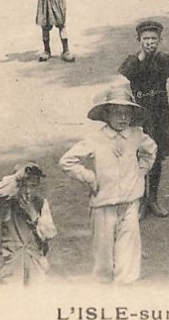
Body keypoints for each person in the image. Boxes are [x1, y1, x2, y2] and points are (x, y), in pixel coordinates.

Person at [59, 86, 157, 285]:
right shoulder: (96, 139)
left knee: (128, 250)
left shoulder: (137, 135)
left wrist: (141, 171)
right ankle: (103, 288)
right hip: (104, 204)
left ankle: (124, 288)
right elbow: (67, 161)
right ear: (106, 114)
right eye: (117, 113)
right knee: (103, 253)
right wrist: (88, 177)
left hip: (130, 202)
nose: (122, 118)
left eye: (127, 113)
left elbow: (151, 151)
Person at [119, 20, 169, 220]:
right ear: (139, 40)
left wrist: (155, 55)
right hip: (140, 113)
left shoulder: (162, 60)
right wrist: (142, 57)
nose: (150, 42)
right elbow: (126, 71)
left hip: (159, 112)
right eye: (146, 39)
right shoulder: (134, 60)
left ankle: (152, 198)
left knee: (157, 154)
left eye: (154, 39)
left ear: (159, 40)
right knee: (139, 155)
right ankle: (140, 199)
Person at [0, 163, 57, 285]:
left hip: (36, 260)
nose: (27, 191)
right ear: (16, 185)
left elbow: (49, 233)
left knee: (37, 297)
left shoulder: (41, 203)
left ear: (37, 186)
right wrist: (16, 177)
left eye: (32, 186)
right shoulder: (6, 204)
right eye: (23, 185)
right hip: (13, 262)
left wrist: (32, 213)